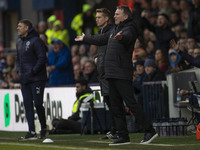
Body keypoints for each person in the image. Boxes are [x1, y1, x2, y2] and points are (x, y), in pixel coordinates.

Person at [75, 5, 158, 146]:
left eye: (117, 14)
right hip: (111, 73)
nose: (114, 16)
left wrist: (122, 37)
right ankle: (123, 135)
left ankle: (150, 130)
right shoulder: (114, 29)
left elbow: (128, 37)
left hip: (121, 72)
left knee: (131, 103)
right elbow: (101, 39)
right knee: (115, 106)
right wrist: (86, 38)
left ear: (125, 16)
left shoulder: (129, 28)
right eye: (114, 14)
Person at [16, 19, 48, 140]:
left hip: (37, 78)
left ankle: (44, 128)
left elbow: (42, 59)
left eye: (20, 26)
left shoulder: (36, 41)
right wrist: (19, 72)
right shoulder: (19, 42)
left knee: (38, 103)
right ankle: (31, 131)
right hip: (25, 79)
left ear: (27, 28)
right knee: (27, 104)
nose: (17, 28)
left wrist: (33, 71)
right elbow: (17, 59)